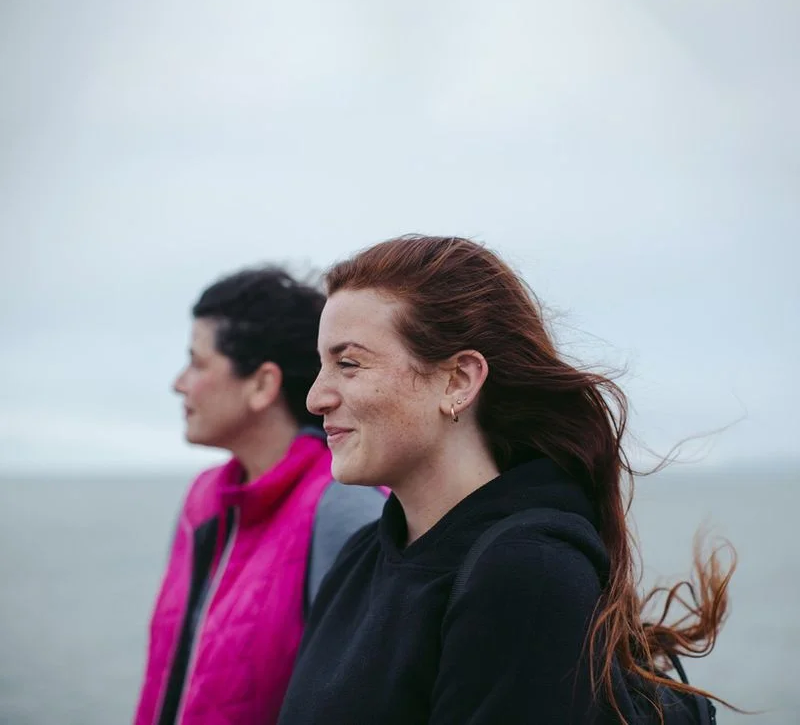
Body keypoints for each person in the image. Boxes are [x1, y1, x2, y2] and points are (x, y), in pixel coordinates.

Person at [277, 235, 735, 725]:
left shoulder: (527, 574)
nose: (315, 398)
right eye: (322, 365)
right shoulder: (360, 556)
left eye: (348, 364)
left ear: (458, 380)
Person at [133, 267, 385, 725]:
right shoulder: (203, 500)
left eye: (198, 363)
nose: (179, 383)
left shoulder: (342, 507)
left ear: (263, 385)